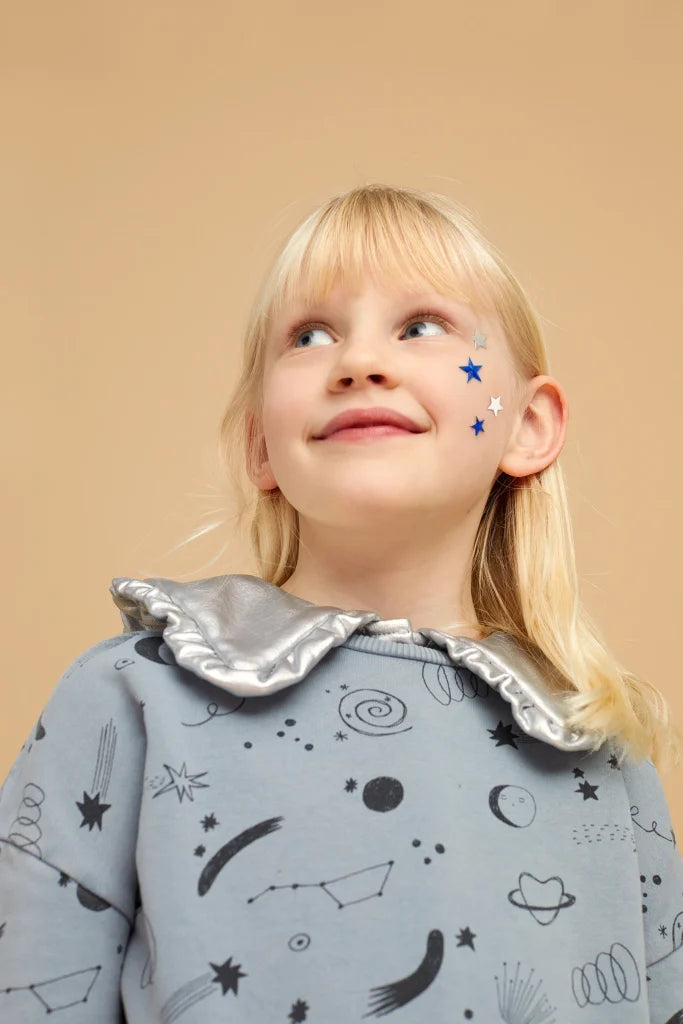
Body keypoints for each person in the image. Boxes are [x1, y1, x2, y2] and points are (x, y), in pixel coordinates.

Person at [1, 183, 681, 1023]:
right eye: (310, 335)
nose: (357, 362)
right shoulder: (133, 697)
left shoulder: (596, 747)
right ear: (259, 443)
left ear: (527, 425)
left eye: (420, 327)